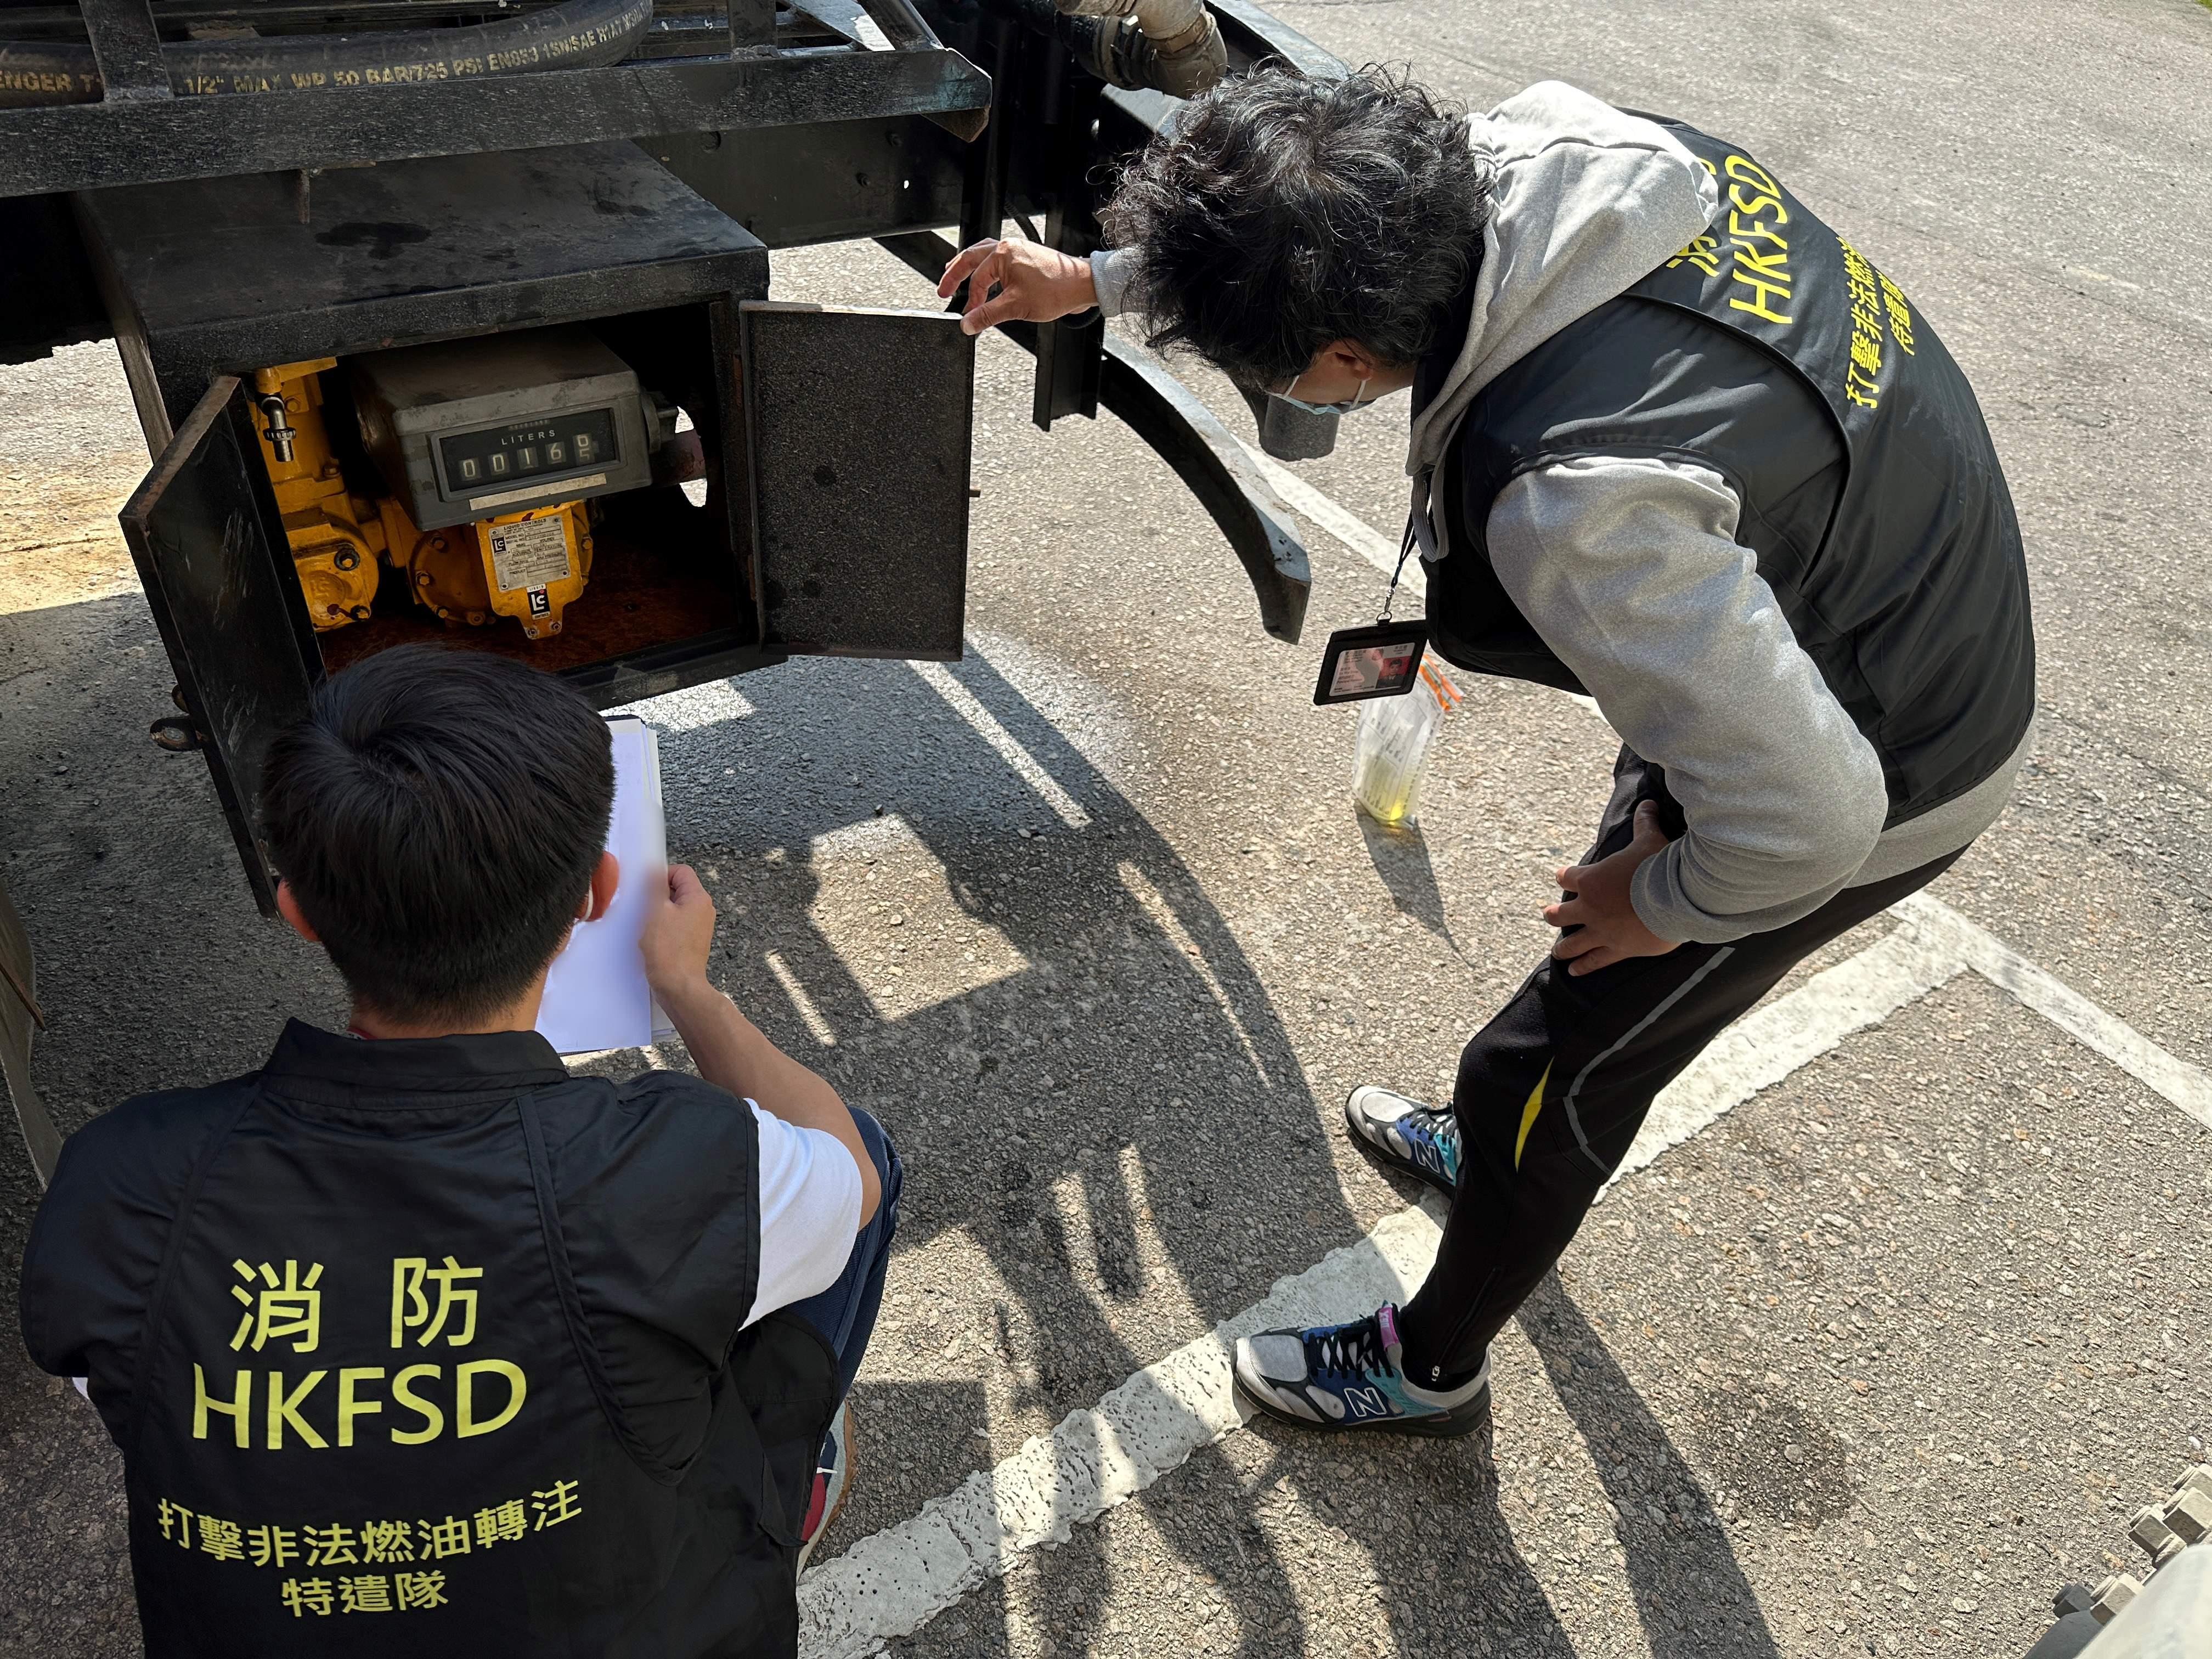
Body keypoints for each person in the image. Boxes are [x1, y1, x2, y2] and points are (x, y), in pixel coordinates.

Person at [940, 66, 2034, 1435]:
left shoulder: (1577, 500)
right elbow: (1293, 225)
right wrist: (1092, 279)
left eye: (1264, 363)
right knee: (1596, 948)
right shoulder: (1538, 153)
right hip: (1833, 599)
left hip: (1886, 750)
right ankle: (1498, 1138)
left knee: (1556, 1063)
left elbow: (1808, 818)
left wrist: (1675, 898)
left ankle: (1432, 1363)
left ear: (1341, 366)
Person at [18, 644, 899, 1654]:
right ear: (596, 892)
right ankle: (776, 1480)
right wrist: (691, 991)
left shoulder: (119, 1187)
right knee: (848, 1160)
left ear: (295, 910)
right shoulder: (671, 1170)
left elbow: (142, 1414)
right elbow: (850, 1170)